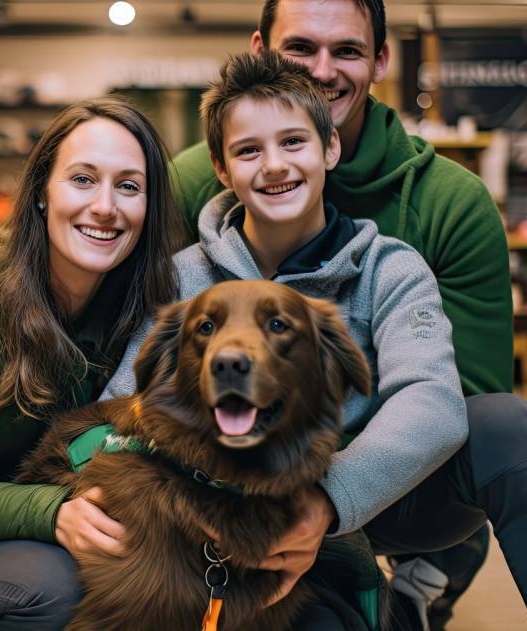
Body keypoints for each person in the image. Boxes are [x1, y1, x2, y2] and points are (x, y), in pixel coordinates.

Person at [155, 0, 527, 628]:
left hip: (391, 481)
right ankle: (387, 599)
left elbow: (457, 399)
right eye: (300, 48)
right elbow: (140, 358)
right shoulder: (194, 187)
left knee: (504, 424)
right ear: (259, 53)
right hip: (234, 480)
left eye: (348, 51)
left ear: (380, 60)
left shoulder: (440, 213)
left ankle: (422, 580)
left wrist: (327, 502)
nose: (323, 70)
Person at [105, 49, 465, 630]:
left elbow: (434, 400)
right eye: (249, 150)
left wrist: (328, 501)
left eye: (294, 143)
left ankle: (406, 596)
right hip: (213, 521)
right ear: (221, 168)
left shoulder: (390, 269)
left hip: (348, 497)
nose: (273, 165)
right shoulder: (182, 277)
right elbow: (120, 400)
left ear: (330, 149)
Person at [0, 96, 186, 629]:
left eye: (128, 186)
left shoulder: (149, 308)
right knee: (60, 586)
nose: (105, 206)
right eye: (81, 179)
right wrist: (55, 513)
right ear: (40, 196)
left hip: (62, 528)